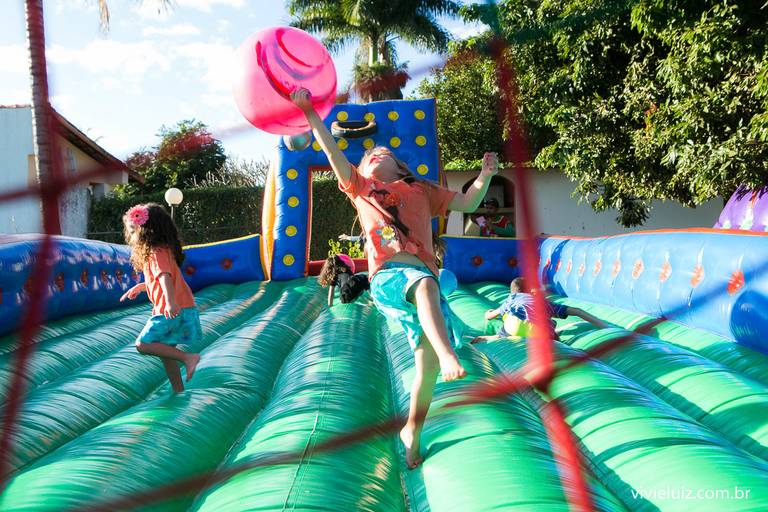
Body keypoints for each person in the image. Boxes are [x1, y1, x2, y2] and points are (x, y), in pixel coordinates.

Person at [292, 88, 497, 469]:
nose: (373, 156)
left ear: (400, 167)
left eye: (380, 154)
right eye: (368, 157)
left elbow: (467, 203)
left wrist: (485, 175)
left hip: (421, 284)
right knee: (425, 285)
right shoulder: (362, 189)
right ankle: (450, 351)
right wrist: (309, 112)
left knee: (427, 368)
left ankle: (411, 432)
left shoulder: (422, 191)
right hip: (390, 279)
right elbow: (333, 154)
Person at [120, 203, 201, 393]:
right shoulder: (163, 250)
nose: (132, 235)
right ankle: (178, 390)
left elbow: (165, 276)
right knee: (166, 353)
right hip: (179, 304)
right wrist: (142, 287)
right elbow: (159, 279)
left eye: (134, 229)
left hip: (172, 307)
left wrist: (170, 302)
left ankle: (188, 358)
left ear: (146, 230)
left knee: (143, 344)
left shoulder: (156, 252)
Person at [473, 277, 607, 342]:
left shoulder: (511, 299)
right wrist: (603, 325)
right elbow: (577, 311)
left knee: (510, 318)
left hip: (515, 326)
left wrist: (488, 312)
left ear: (512, 292)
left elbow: (489, 316)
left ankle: (493, 337)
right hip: (541, 331)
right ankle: (558, 343)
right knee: (549, 326)